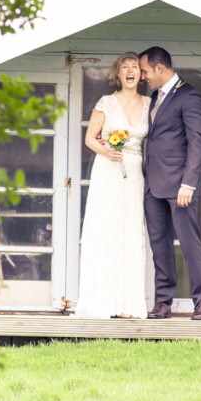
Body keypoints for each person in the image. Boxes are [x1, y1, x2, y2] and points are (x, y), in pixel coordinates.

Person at [74, 53, 152, 318]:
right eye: (124, 67)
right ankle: (102, 301)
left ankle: (129, 304)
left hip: (135, 171)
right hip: (107, 170)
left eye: (134, 67)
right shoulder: (106, 103)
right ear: (117, 74)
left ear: (142, 75)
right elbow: (90, 139)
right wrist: (107, 152)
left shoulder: (149, 104)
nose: (130, 71)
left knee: (131, 230)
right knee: (105, 228)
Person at [139, 46, 201, 320]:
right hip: (153, 185)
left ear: (160, 68)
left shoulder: (189, 96)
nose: (143, 76)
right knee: (159, 244)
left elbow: (198, 142)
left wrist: (189, 184)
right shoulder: (154, 96)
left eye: (145, 71)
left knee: (189, 242)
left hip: (181, 186)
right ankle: (163, 302)